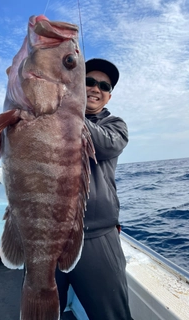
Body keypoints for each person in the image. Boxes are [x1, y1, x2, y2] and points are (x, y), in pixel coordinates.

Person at [56, 58, 132, 320]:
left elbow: (104, 145)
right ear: (76, 83)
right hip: (49, 236)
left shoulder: (116, 126)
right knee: (39, 310)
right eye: (88, 81)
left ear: (109, 96)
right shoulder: (52, 117)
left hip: (97, 238)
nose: (95, 88)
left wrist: (67, 109)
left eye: (104, 85)